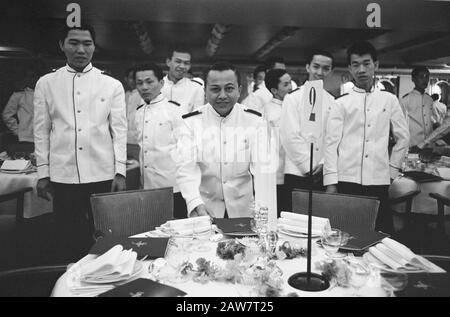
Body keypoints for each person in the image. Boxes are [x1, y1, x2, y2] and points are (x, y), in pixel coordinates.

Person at [33, 25, 127, 258]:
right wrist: (43, 173)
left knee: (104, 233)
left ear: (94, 47)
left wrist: (121, 172)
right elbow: (41, 131)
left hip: (102, 172)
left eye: (87, 43)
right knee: (66, 233)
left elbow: (119, 131)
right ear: (62, 45)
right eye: (73, 43)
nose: (81, 49)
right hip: (63, 173)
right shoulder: (46, 83)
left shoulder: (112, 85)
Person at [323, 41, 409, 234]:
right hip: (346, 179)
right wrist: (331, 182)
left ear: (376, 65)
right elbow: (330, 145)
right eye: (355, 64)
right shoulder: (341, 103)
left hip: (378, 180)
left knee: (380, 236)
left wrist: (391, 171)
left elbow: (403, 138)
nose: (361, 69)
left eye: (366, 63)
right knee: (345, 236)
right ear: (349, 68)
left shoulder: (389, 100)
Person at [175, 62, 267, 218]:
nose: (222, 95)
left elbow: (262, 171)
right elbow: (186, 168)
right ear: (205, 92)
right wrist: (195, 203)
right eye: (215, 89)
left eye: (229, 88)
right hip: (205, 209)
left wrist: (263, 208)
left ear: (239, 90)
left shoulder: (255, 121)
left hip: (245, 211)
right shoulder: (190, 122)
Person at [280, 50, 335, 210]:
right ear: (307, 67)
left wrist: (324, 163)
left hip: (322, 172)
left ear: (330, 71)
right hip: (297, 171)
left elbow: (334, 137)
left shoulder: (333, 101)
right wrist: (308, 166)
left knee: (319, 222)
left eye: (326, 68)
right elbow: (289, 135)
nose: (320, 72)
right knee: (295, 221)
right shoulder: (293, 97)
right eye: (316, 67)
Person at [134, 62, 187, 219]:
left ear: (161, 83)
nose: (144, 87)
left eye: (149, 82)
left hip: (173, 188)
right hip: (147, 187)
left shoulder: (175, 110)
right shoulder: (138, 112)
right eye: (139, 83)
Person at [263, 68, 292, 215]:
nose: (291, 87)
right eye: (286, 85)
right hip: (276, 175)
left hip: (295, 172)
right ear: (274, 90)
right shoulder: (268, 112)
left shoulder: (294, 106)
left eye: (291, 83)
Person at [161, 48, 205, 115]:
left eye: (186, 63)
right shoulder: (157, 85)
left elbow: (197, 118)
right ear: (168, 62)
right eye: (178, 61)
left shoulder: (196, 88)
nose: (182, 66)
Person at [400, 66, 434, 148]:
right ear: (413, 79)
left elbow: (431, 121)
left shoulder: (429, 99)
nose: (424, 80)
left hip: (429, 145)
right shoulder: (405, 100)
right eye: (421, 76)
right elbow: (400, 125)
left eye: (427, 77)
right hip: (413, 144)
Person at [2, 70, 37, 148]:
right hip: (26, 138)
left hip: (45, 137)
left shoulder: (46, 94)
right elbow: (7, 115)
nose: (33, 80)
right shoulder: (19, 95)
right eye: (30, 77)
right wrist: (17, 130)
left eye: (35, 77)